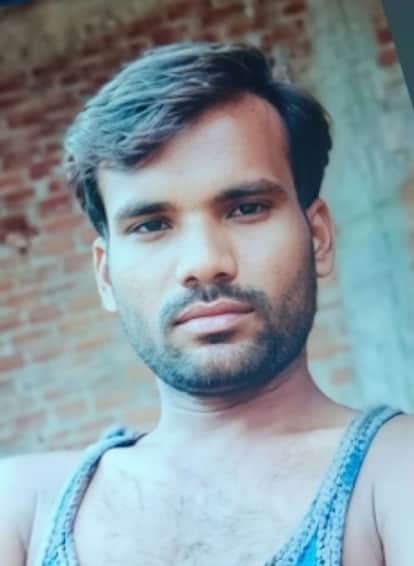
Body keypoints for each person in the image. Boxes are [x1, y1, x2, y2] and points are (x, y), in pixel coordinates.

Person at [1, 41, 413, 566]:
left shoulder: (396, 477)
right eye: (151, 225)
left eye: (246, 208)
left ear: (318, 238)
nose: (204, 262)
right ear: (105, 275)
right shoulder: (22, 509)